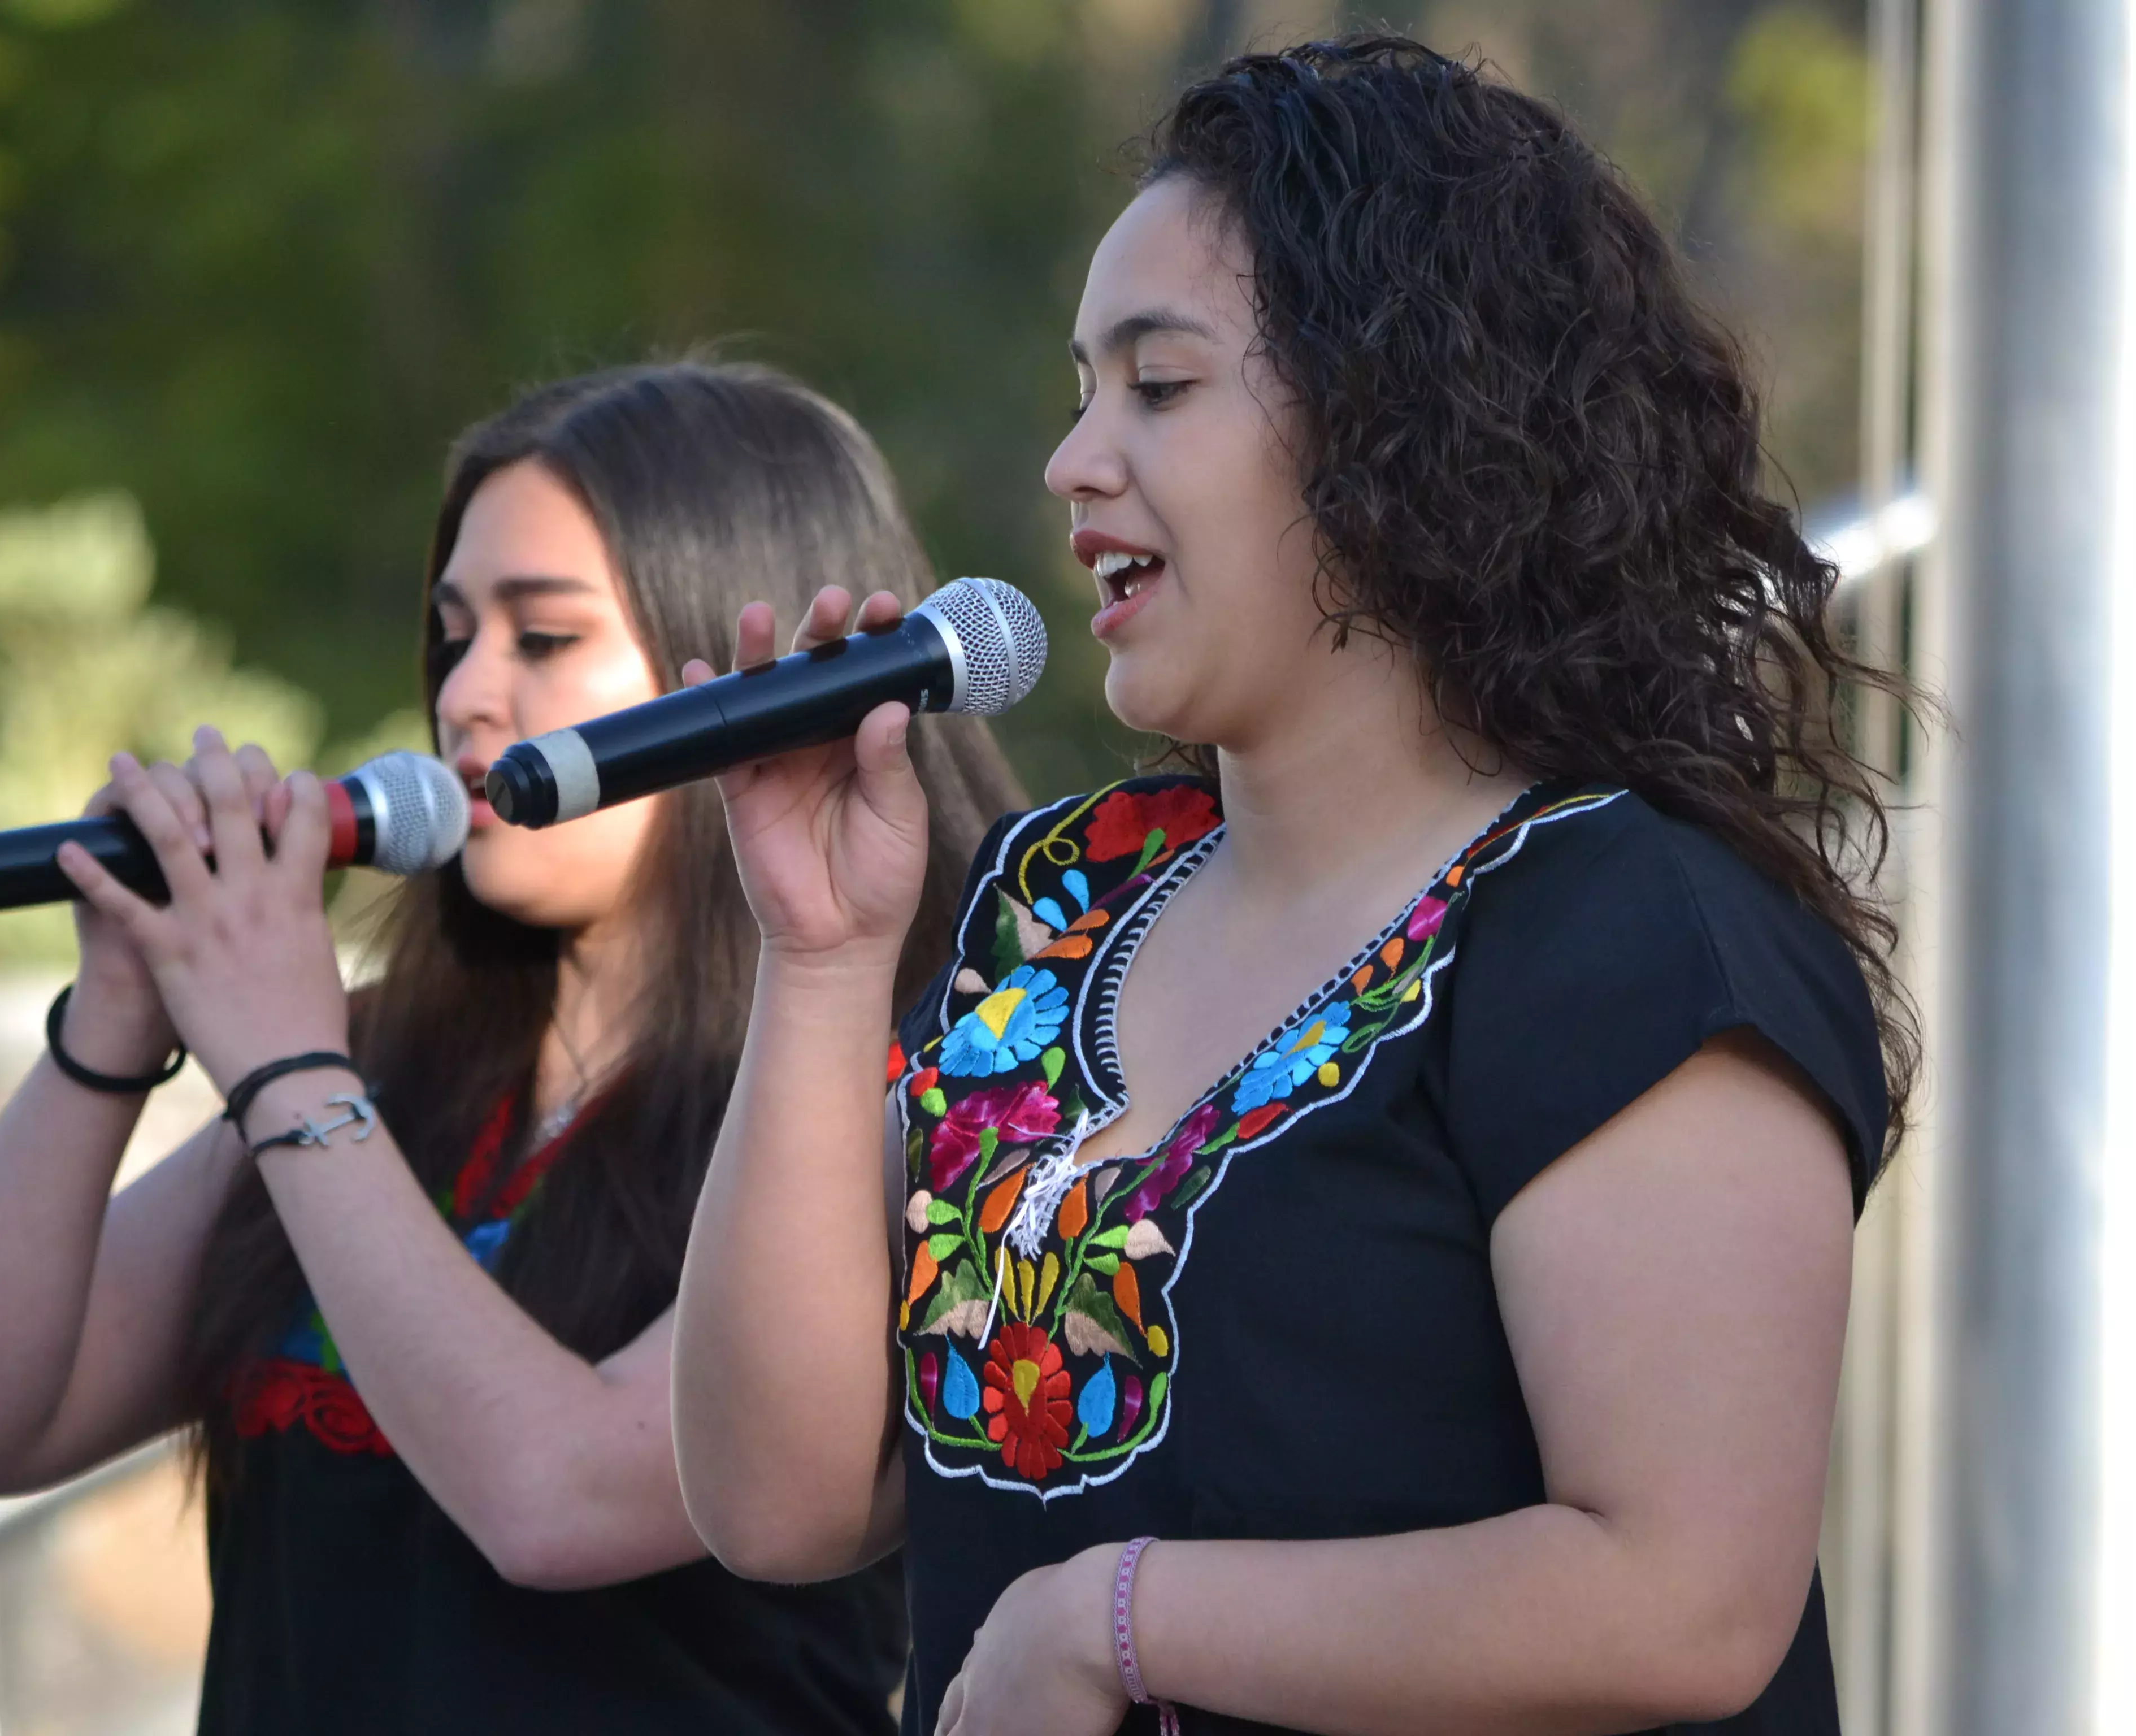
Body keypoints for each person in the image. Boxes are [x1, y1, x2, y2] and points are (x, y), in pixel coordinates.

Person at [670, 38, 1913, 1736]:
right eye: (1078, 388)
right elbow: (782, 1504)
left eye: (1157, 388)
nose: (1072, 463)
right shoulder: (1062, 905)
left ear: (1402, 424)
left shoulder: (1621, 921)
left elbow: (1680, 1597)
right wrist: (817, 962)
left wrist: (1113, 1621)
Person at [0, 362, 1023, 1733]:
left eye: (543, 641)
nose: (467, 695)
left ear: (727, 670)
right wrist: (116, 1021)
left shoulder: (902, 1087)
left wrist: (289, 1075)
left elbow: (562, 1501)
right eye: (451, 637)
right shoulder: (379, 1069)